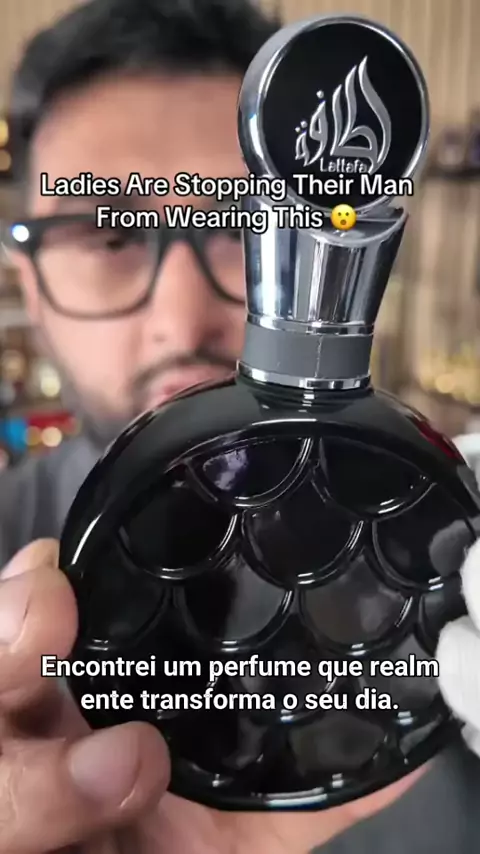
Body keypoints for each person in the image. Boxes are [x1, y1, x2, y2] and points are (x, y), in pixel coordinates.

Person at [0, 0, 479, 851]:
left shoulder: (449, 565)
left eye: (236, 225)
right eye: (110, 235)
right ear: (28, 282)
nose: (181, 321)